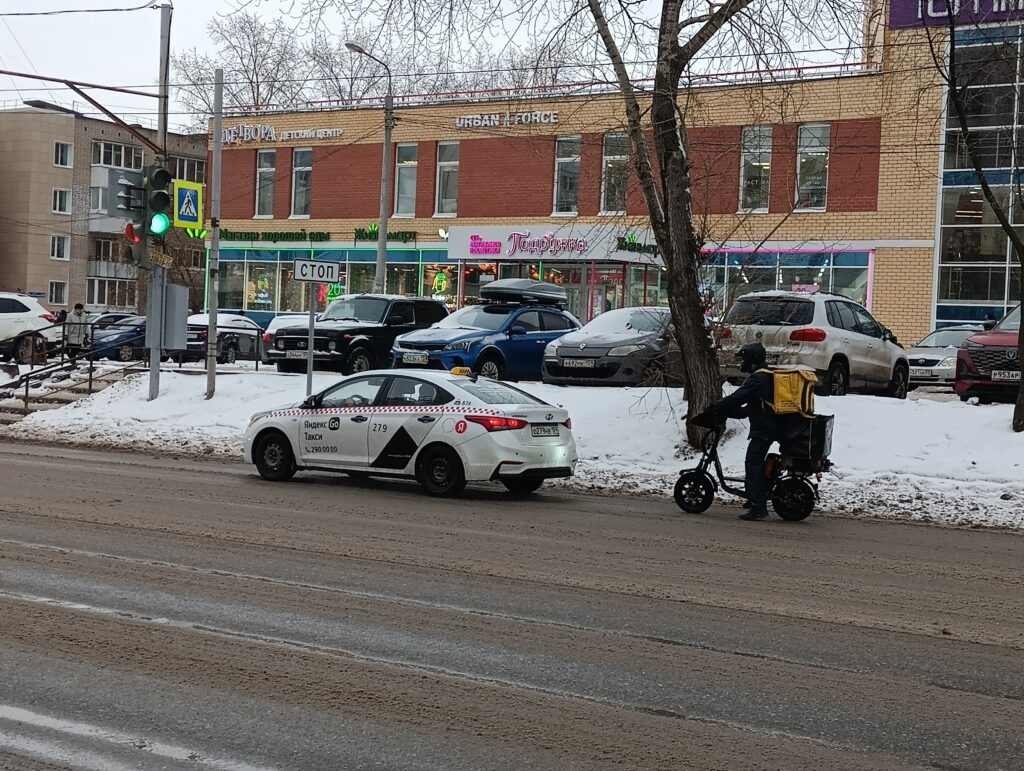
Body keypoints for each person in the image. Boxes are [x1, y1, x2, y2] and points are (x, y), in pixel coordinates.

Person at [699, 342, 777, 521]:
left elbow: (738, 397)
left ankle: (758, 507)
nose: (742, 363)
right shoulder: (766, 376)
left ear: (752, 359)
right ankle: (754, 496)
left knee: (753, 462)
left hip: (764, 429)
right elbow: (748, 409)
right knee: (755, 462)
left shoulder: (758, 378)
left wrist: (715, 407)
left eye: (744, 359)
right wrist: (726, 411)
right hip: (768, 427)